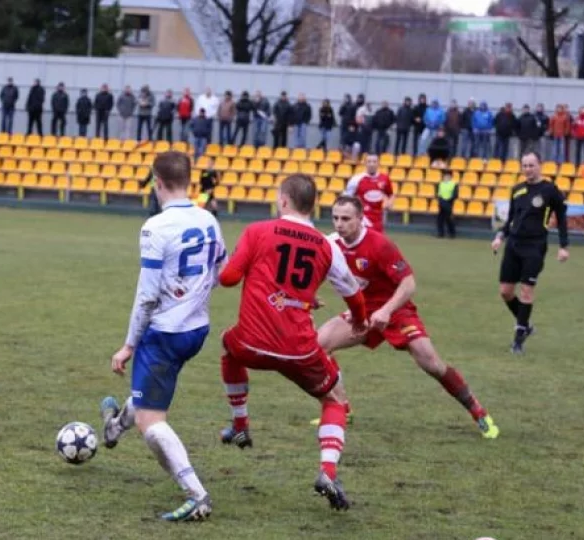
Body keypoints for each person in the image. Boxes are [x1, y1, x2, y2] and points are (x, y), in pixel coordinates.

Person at [217, 174, 368, 511]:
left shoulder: (258, 231)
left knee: (229, 346)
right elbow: (354, 297)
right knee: (334, 401)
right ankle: (327, 471)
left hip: (253, 342)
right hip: (300, 349)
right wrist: (358, 323)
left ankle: (240, 425)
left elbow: (228, 279)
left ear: (284, 200)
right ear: (312, 205)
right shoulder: (326, 245)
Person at [99, 151, 226, 522]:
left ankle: (196, 493)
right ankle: (113, 426)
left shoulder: (155, 227)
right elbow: (221, 270)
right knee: (150, 390)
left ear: (157, 182)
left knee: (151, 423)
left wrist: (128, 345)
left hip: (166, 332)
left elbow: (147, 296)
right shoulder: (209, 220)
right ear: (189, 180)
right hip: (197, 329)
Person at [313, 196, 499, 439]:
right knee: (318, 346)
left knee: (431, 363)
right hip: (362, 312)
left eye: (346, 218)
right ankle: (340, 408)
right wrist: (311, 295)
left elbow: (408, 284)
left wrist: (386, 310)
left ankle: (477, 411)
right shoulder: (330, 244)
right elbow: (314, 272)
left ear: (360, 219)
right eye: (335, 218)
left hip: (396, 311)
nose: (339, 223)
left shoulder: (378, 244)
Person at [490, 151, 569, 354]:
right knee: (505, 292)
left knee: (526, 291)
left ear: (540, 165)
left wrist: (563, 246)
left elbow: (561, 217)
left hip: (535, 246)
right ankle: (525, 325)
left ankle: (518, 340)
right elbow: (511, 220)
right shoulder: (517, 190)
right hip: (513, 245)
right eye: (524, 165)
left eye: (531, 165)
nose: (527, 169)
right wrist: (500, 237)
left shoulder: (550, 190)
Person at [344, 154, 393, 233]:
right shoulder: (356, 179)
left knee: (378, 243)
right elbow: (346, 199)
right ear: (365, 163)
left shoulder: (384, 178)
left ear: (378, 163)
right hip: (363, 219)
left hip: (378, 219)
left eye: (374, 161)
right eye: (369, 161)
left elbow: (390, 194)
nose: (372, 164)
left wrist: (389, 203)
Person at [436, 172, 457, 238]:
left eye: (447, 176)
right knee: (440, 219)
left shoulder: (454, 184)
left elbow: (455, 195)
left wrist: (449, 200)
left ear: (450, 177)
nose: (445, 178)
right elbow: (438, 194)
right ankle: (440, 233)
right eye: (445, 176)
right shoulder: (440, 184)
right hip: (442, 203)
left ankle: (452, 234)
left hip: (449, 203)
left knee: (449, 219)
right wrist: (441, 200)